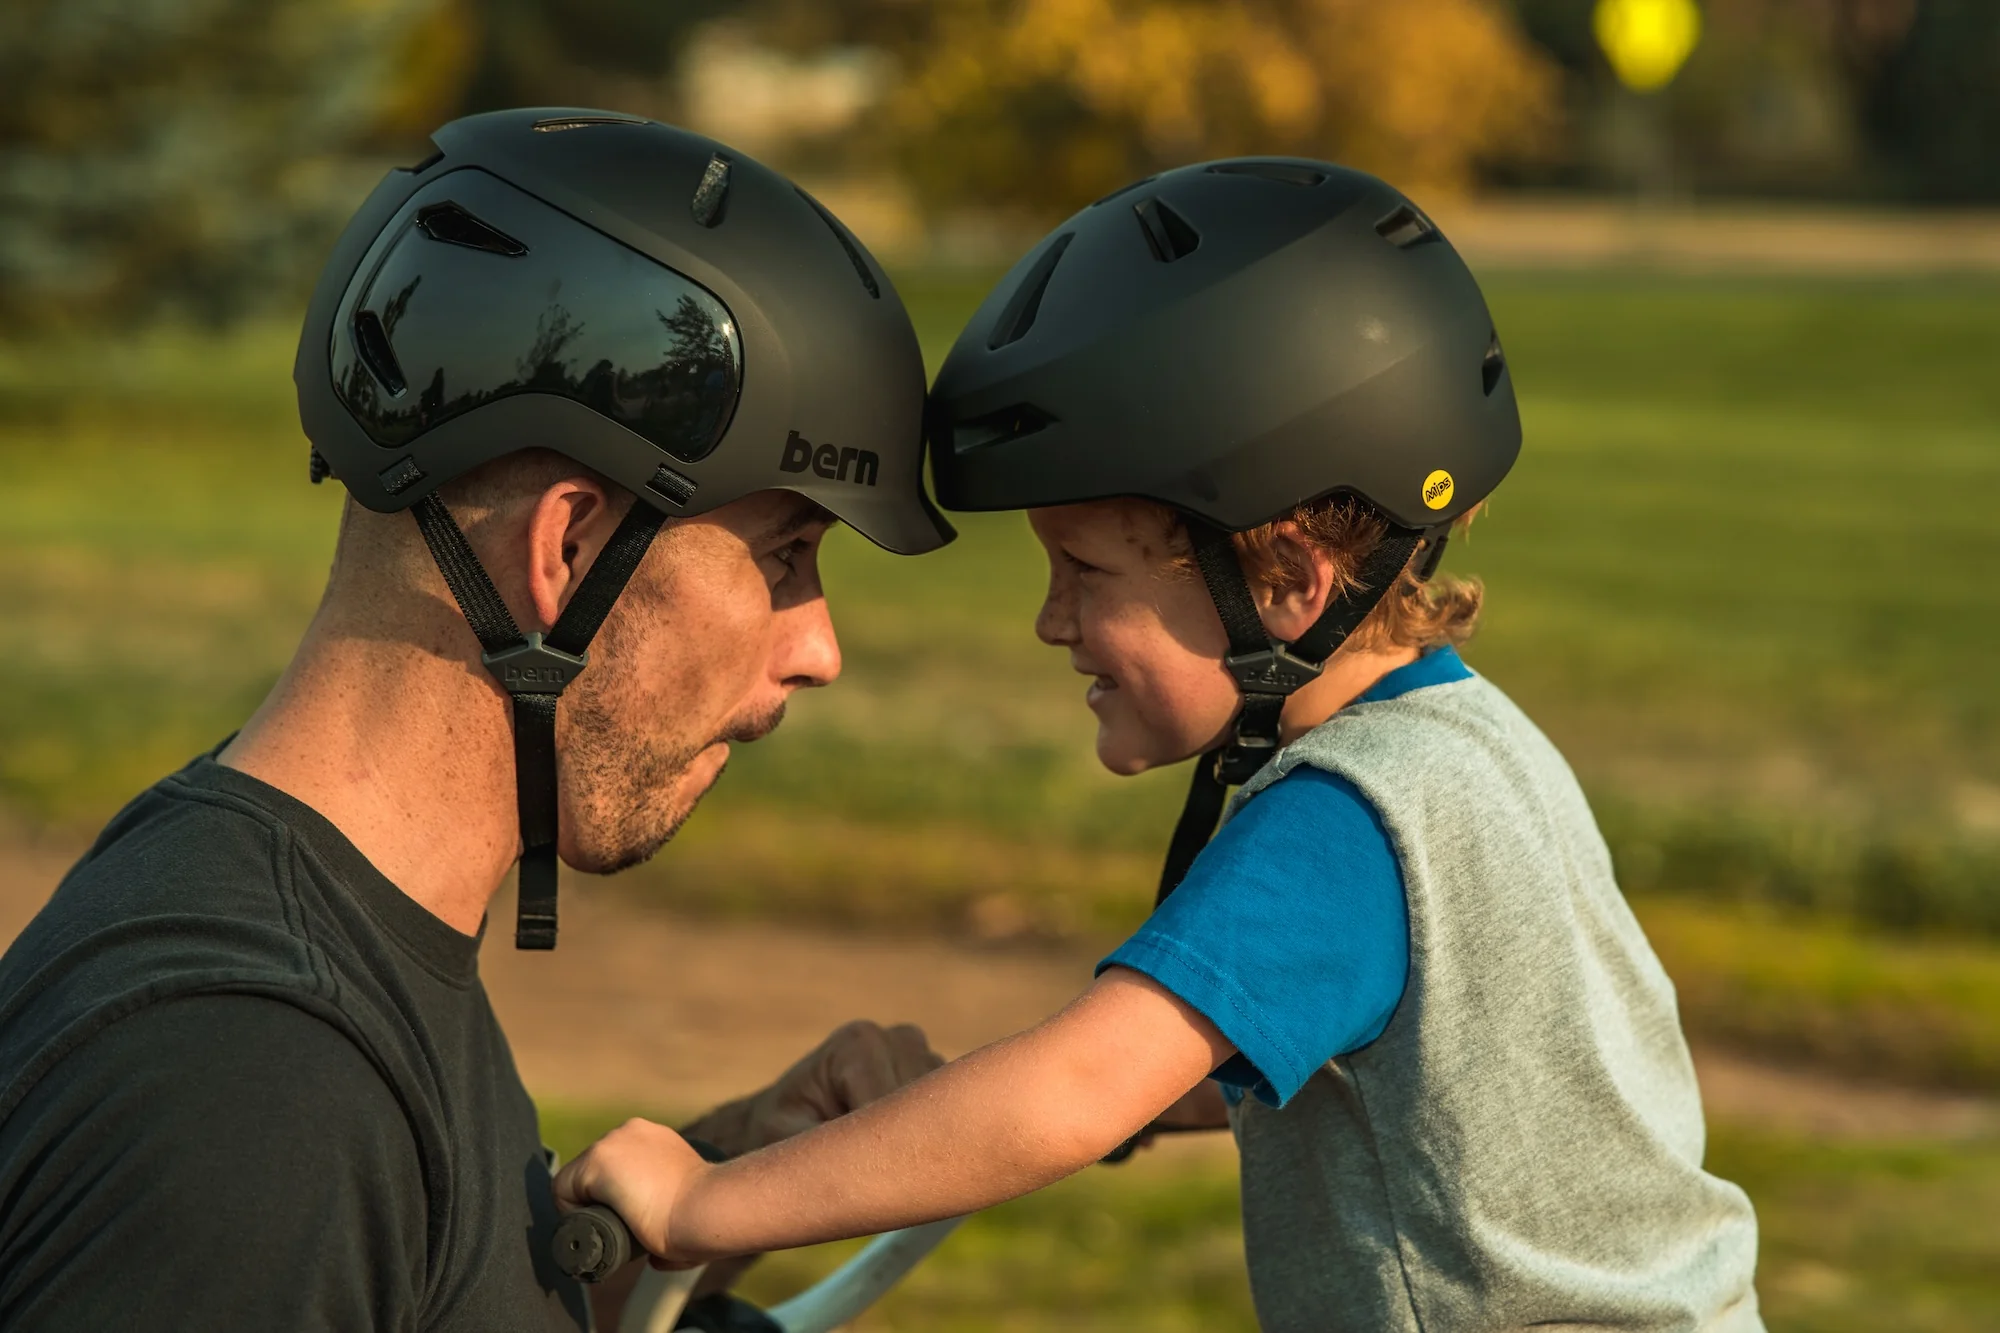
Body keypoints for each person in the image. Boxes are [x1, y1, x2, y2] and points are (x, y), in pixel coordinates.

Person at [556, 159, 1766, 1331]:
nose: (1048, 621)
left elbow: (1071, 1093)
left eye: (1083, 570)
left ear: (1288, 579)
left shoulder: (1342, 822)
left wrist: (706, 1198)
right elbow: (1372, 1067)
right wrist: (970, 1108)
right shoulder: (1470, 749)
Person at [0, 110, 953, 1331]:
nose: (817, 649)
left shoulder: (324, 944)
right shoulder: (257, 1088)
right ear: (565, 549)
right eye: (782, 557)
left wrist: (737, 1174)